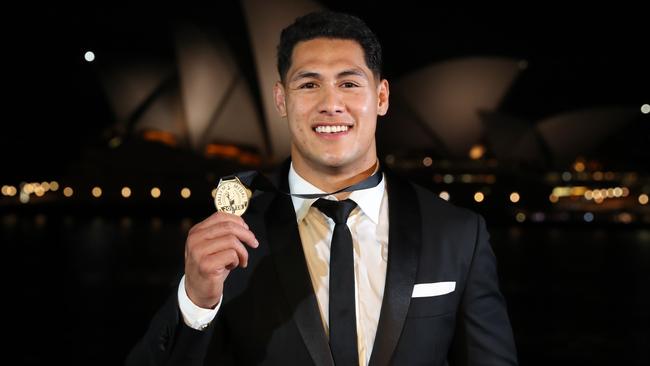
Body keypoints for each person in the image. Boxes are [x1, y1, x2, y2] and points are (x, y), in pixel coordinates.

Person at [126, 10, 518, 366]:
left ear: (381, 96)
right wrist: (196, 301)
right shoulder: (233, 233)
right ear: (281, 99)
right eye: (309, 85)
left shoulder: (456, 233)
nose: (331, 104)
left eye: (349, 83)